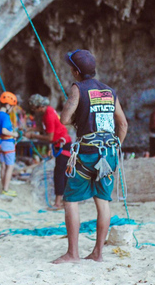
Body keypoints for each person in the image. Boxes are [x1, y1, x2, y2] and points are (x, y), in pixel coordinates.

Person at [53, 49, 128, 264]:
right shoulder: (109, 91)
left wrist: (75, 112)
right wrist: (114, 148)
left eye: (71, 69)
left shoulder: (78, 89)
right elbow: (122, 124)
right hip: (109, 153)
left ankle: (72, 254)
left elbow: (65, 119)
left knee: (70, 200)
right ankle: (97, 253)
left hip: (87, 154)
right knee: (103, 202)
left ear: (76, 72)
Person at [24, 94, 72, 209]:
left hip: (62, 145)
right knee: (62, 173)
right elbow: (47, 128)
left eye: (34, 108)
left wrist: (32, 136)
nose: (33, 111)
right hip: (63, 143)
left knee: (59, 174)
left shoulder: (48, 115)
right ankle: (63, 201)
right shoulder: (49, 111)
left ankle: (58, 202)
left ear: (39, 107)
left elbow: (50, 137)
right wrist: (32, 129)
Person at [0, 92, 19, 197]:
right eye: (12, 107)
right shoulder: (5, 116)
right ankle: (6, 189)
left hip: (1, 142)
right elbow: (4, 130)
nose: (12, 109)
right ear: (8, 105)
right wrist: (14, 134)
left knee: (3, 166)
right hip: (8, 143)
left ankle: (3, 187)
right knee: (10, 167)